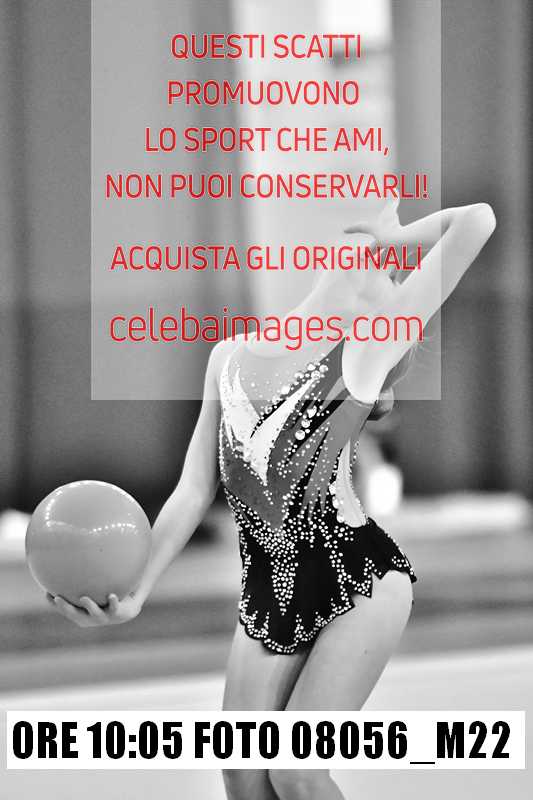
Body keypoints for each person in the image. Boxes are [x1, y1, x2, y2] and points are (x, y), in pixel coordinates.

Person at [49, 199, 496, 799]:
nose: (381, 263)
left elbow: (477, 222)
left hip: (356, 578)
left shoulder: (365, 349)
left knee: (297, 771)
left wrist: (400, 237)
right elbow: (193, 490)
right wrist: (135, 592)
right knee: (243, 774)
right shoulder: (227, 358)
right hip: (267, 587)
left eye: (393, 275)